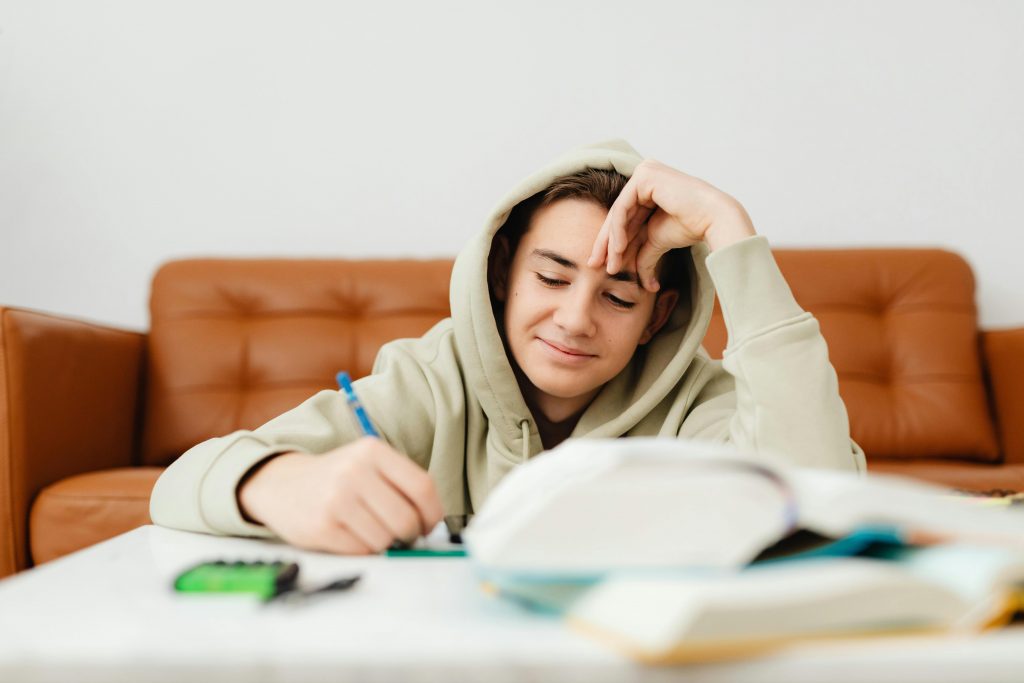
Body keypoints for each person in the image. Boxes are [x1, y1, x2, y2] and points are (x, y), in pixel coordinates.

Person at [150, 139, 865, 555]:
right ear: (502, 275)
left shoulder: (701, 405)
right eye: (551, 276)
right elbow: (181, 482)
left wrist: (730, 232)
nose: (576, 318)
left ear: (659, 315)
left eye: (619, 295)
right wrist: (276, 483)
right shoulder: (430, 377)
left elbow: (822, 499)